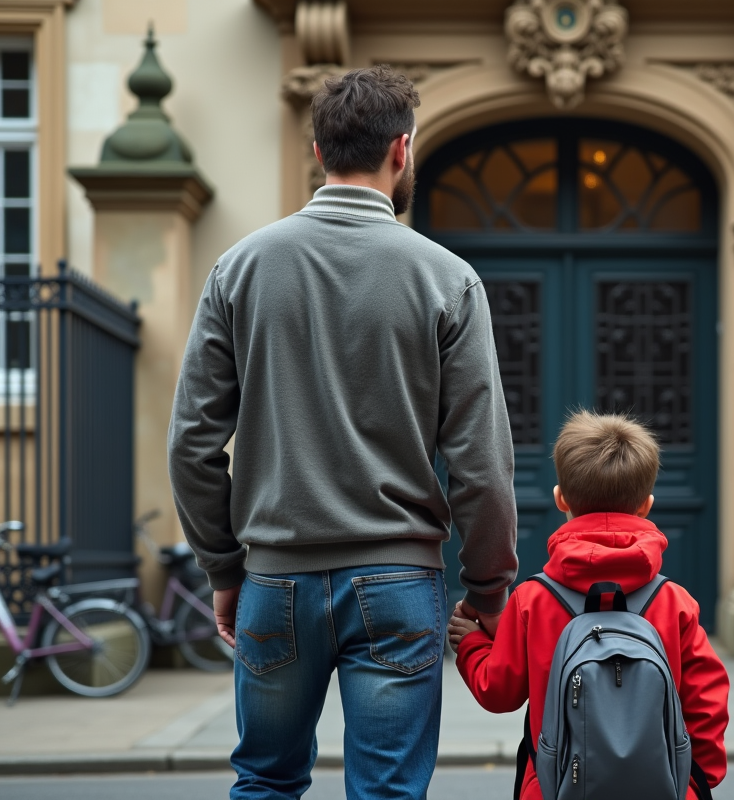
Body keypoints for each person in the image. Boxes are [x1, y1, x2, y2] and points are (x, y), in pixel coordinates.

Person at [167, 66, 518, 800]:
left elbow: (193, 445)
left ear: (321, 152)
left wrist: (225, 569)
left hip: (275, 577)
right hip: (397, 581)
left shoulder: (239, 269)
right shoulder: (447, 279)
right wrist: (489, 590)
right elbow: (481, 464)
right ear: (403, 150)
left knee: (264, 780)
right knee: (388, 791)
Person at [447, 411, 729, 800]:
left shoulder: (533, 599)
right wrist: (698, 776)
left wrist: (474, 645)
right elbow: (707, 699)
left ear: (560, 498)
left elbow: (499, 691)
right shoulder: (674, 602)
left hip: (552, 787)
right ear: (646, 505)